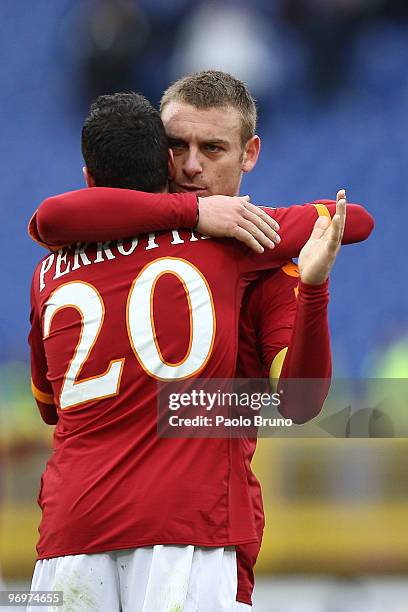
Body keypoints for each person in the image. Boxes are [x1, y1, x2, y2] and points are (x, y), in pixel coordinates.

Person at [28, 79, 372, 610]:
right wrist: (193, 218)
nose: (191, 168)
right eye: (176, 147)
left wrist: (311, 291)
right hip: (189, 529)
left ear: (249, 153)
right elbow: (355, 219)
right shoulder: (234, 249)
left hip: (69, 531)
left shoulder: (52, 266)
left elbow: (299, 401)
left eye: (212, 149)